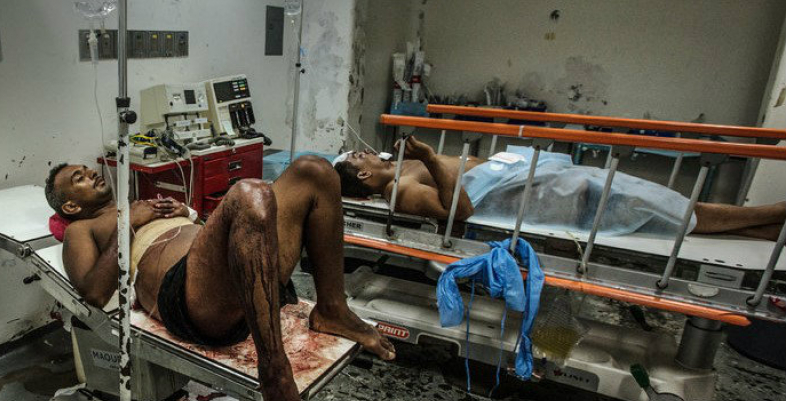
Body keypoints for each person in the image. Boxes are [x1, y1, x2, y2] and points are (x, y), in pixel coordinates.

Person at [44, 156, 396, 401]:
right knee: (248, 192)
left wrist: (187, 214)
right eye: (79, 178)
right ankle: (274, 373)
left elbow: (230, 226)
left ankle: (332, 307)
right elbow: (92, 292)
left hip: (234, 270)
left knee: (314, 170)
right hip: (185, 295)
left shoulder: (139, 205)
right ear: (71, 207)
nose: (91, 174)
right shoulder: (83, 229)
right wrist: (128, 223)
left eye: (87, 170)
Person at [335, 136, 786, 240]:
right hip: (539, 197)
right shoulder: (401, 193)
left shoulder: (402, 167)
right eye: (357, 158)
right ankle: (775, 212)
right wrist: (433, 157)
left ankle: (764, 230)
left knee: (657, 205)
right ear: (363, 178)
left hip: (532, 178)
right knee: (665, 207)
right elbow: (462, 211)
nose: (364, 151)